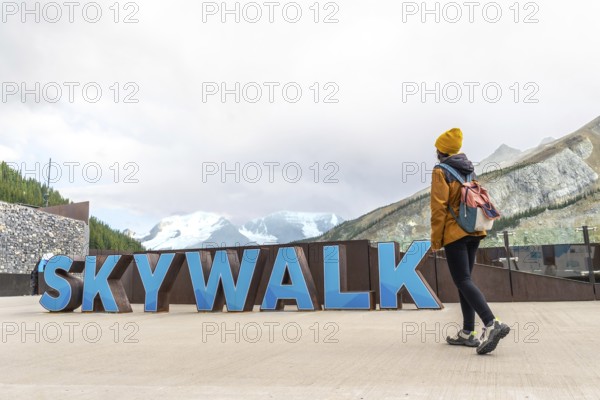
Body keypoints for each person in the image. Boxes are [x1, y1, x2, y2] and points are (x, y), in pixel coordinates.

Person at [430, 128, 510, 355]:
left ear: (441, 151)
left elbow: (438, 208)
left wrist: (436, 241)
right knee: (464, 281)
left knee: (463, 280)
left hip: (455, 234)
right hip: (475, 231)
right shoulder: (467, 170)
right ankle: (467, 333)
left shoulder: (440, 171)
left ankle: (492, 323)